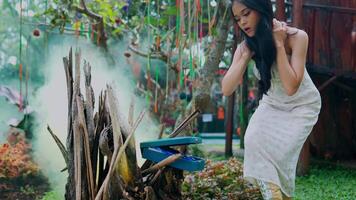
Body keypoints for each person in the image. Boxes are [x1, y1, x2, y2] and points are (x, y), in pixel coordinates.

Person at [221, 0, 321, 199]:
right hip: (272, 103)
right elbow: (226, 88)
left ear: (261, 9)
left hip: (302, 106)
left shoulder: (296, 37)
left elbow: (292, 87)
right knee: (252, 139)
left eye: (246, 13)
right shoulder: (245, 47)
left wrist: (278, 44)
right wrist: (244, 56)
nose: (242, 21)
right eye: (238, 18)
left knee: (280, 157)